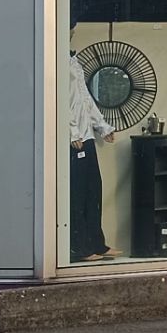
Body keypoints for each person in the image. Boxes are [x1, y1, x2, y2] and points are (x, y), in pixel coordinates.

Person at [69, 52, 122, 261]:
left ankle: (96, 244)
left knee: (93, 191)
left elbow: (85, 99)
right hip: (75, 139)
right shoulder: (55, 61)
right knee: (78, 195)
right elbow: (58, 99)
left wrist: (102, 127)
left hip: (87, 136)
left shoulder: (74, 61)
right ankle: (80, 247)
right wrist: (72, 132)